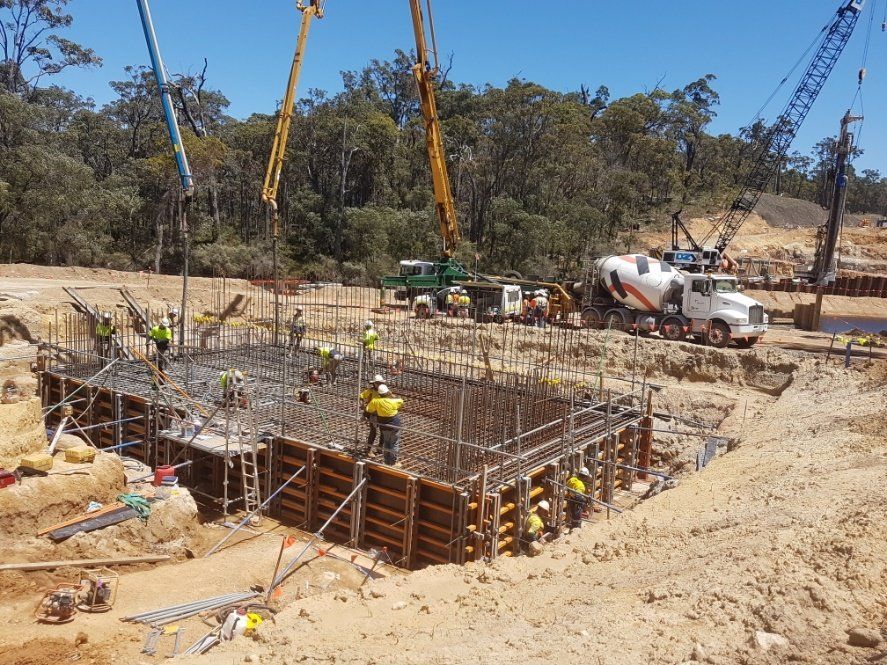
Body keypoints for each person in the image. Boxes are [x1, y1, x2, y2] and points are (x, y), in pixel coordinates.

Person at [367, 384, 403, 466]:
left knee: (387, 443)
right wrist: (392, 395)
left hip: (383, 426)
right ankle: (394, 462)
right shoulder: (394, 401)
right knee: (394, 444)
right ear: (387, 392)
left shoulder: (375, 401)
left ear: (379, 394)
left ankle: (386, 461)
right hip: (395, 426)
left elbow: (368, 409)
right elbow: (401, 401)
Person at [359, 374, 385, 455]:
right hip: (372, 413)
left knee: (383, 431)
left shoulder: (385, 391)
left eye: (380, 383)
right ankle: (369, 450)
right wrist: (362, 404)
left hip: (382, 414)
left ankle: (380, 448)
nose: (378, 384)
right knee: (373, 432)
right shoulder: (371, 390)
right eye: (377, 383)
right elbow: (361, 396)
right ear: (374, 383)